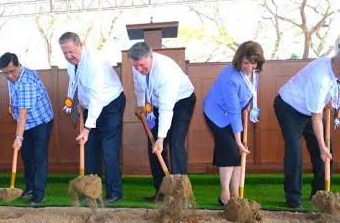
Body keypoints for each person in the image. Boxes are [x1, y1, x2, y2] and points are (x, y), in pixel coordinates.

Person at [59, 32, 126, 202]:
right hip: (91, 104)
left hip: (110, 103)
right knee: (90, 149)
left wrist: (87, 128)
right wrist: (76, 102)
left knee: (109, 149)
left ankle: (114, 192)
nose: (68, 56)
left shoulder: (94, 62)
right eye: (64, 53)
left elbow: (97, 97)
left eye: (71, 52)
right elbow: (75, 82)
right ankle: (92, 189)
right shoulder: (71, 63)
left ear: (80, 45)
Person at [127, 41, 196, 199]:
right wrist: (140, 104)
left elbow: (167, 108)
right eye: (136, 66)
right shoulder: (137, 66)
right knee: (154, 147)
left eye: (142, 65)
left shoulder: (166, 71)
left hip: (182, 101)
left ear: (151, 57)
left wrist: (161, 137)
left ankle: (180, 192)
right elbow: (139, 86)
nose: (139, 69)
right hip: (155, 104)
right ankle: (162, 192)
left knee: (175, 141)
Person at [274, 51, 340, 210]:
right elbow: (316, 119)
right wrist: (322, 147)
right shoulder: (320, 78)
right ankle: (293, 198)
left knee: (326, 151)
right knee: (295, 150)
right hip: (289, 106)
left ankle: (319, 194)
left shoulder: (333, 65)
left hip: (309, 108)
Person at [203, 41, 265, 206]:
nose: (249, 67)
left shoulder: (253, 73)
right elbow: (232, 110)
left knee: (238, 155)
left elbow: (248, 92)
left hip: (236, 112)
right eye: (246, 63)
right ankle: (225, 194)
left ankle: (235, 194)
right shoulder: (230, 77)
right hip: (216, 113)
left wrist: (248, 106)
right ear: (239, 60)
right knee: (230, 149)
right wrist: (238, 140)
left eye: (253, 63)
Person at [0, 52, 54, 206]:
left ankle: (38, 194)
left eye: (12, 71)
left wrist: (18, 138)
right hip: (27, 124)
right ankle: (30, 187)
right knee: (27, 155)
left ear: (19, 65)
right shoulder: (12, 77)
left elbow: (23, 114)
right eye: (6, 73)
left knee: (39, 157)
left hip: (40, 121)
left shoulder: (26, 81)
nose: (10, 75)